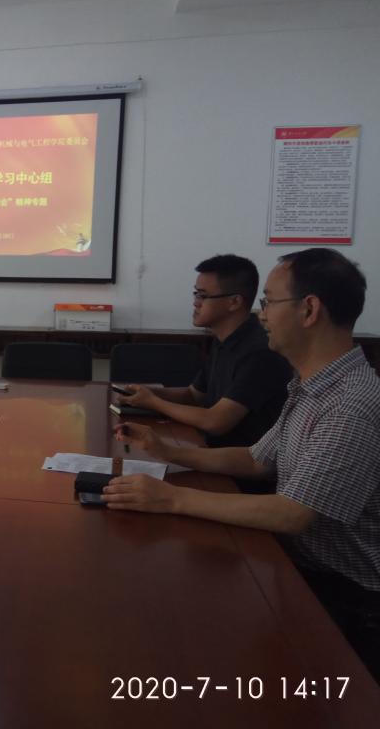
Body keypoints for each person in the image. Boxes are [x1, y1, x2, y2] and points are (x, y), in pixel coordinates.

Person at [105, 248, 380, 680]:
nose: (261, 313)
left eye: (269, 301)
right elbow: (256, 458)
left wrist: (171, 499)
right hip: (298, 567)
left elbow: (292, 513)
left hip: (345, 597)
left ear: (309, 310)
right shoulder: (311, 385)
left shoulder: (349, 405)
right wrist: (170, 452)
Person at [119, 254, 291, 451]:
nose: (196, 303)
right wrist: (147, 392)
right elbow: (194, 395)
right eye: (196, 294)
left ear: (234, 302)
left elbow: (216, 421)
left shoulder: (260, 352)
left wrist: (153, 402)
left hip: (240, 463)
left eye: (203, 295)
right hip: (211, 451)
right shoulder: (223, 339)